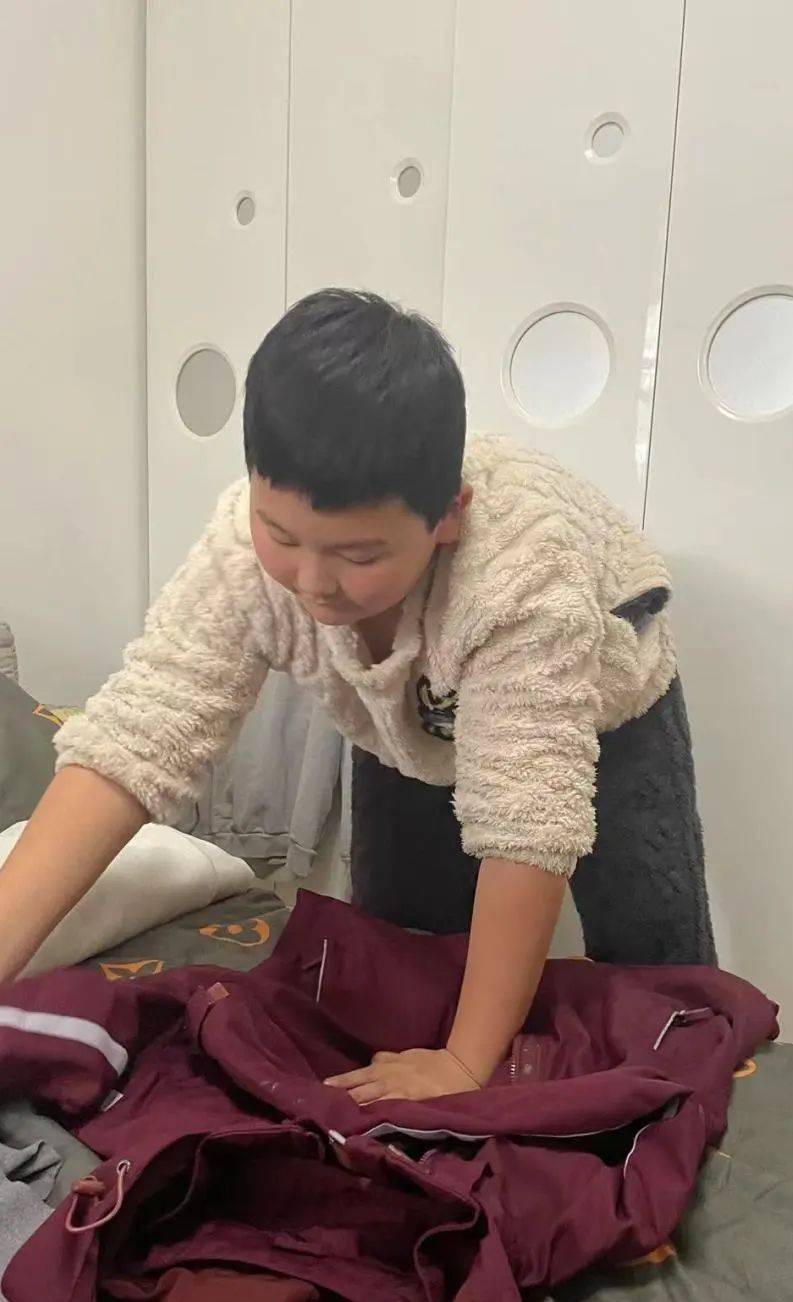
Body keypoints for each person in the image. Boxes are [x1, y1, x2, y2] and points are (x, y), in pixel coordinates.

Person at [0, 289, 715, 1102]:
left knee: (661, 973)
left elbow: (527, 830)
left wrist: (464, 1064)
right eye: (282, 535)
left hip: (599, 707)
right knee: (400, 959)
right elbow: (134, 742)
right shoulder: (243, 552)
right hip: (403, 720)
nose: (312, 583)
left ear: (448, 518)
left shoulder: (520, 582)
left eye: (358, 554)